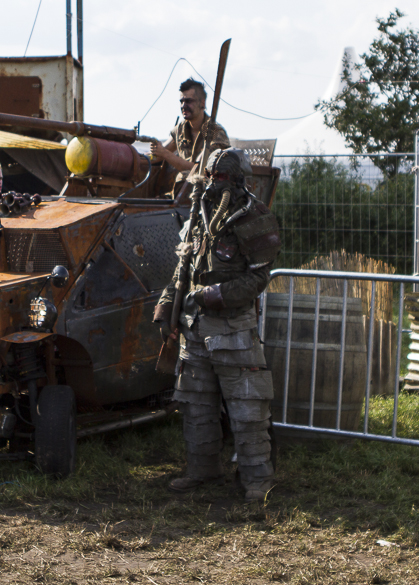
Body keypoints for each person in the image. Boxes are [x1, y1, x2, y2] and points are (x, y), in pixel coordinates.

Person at [153, 148, 281, 503]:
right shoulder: (198, 214)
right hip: (194, 330)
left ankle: (257, 478)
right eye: (211, 177)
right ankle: (202, 469)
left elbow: (256, 280)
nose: (214, 184)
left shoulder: (255, 217)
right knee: (196, 405)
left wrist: (213, 295)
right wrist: (166, 308)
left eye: (222, 178)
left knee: (247, 406)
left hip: (234, 329)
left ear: (239, 180)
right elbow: (183, 270)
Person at [150, 78, 231, 198]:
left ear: (202, 104)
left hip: (205, 197)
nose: (183, 106)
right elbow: (158, 155)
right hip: (181, 195)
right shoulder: (181, 129)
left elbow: (200, 170)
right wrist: (133, 156)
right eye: (181, 101)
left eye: (188, 101)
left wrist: (165, 154)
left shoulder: (215, 133)